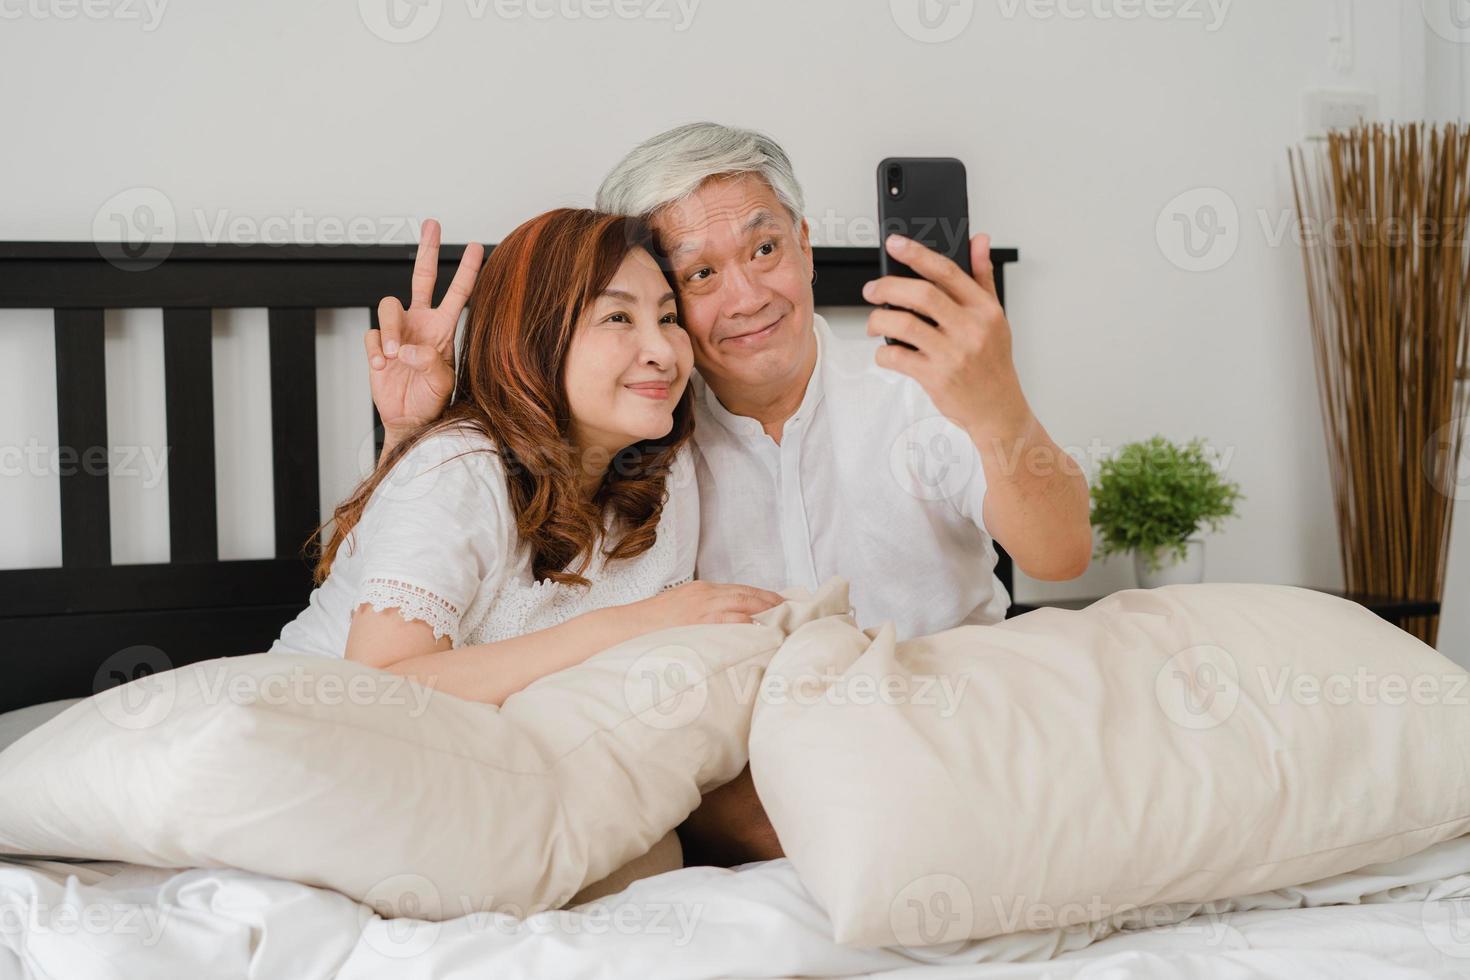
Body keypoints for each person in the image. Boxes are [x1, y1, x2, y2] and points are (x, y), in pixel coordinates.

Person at [367, 125, 1092, 863]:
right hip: (766, 791)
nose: (747, 296)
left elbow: (1062, 552)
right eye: (700, 276)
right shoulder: (639, 450)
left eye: (765, 248)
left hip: (961, 729)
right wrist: (407, 436)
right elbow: (441, 592)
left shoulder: (923, 394)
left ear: (806, 246)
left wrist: (999, 405)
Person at [269, 207, 784, 705]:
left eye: (669, 317)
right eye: (618, 316)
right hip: (298, 745)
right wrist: (639, 620)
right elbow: (379, 690)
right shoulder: (458, 466)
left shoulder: (665, 471)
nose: (664, 352)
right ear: (536, 340)